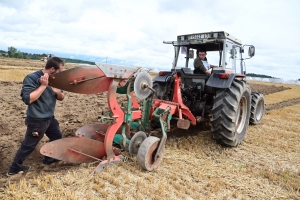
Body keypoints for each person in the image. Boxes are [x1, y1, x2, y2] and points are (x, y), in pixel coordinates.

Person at [7, 57, 65, 176]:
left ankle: (49, 158)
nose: (62, 73)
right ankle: (14, 169)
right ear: (52, 69)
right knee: (29, 145)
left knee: (57, 137)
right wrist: (43, 86)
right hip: (37, 120)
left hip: (50, 118)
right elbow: (28, 99)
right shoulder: (32, 78)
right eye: (60, 71)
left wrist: (57, 92)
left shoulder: (56, 79)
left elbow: (61, 97)